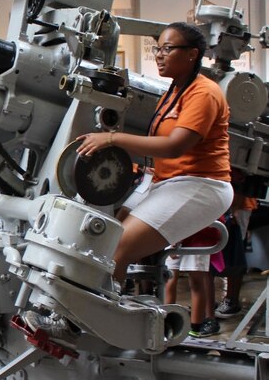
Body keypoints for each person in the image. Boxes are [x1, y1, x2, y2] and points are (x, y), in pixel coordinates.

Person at [25, 22, 234, 345]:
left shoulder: (204, 92)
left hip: (201, 185)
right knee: (101, 239)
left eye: (167, 49)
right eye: (158, 49)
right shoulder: (175, 90)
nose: (159, 57)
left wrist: (112, 139)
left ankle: (87, 328)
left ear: (192, 55)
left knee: (118, 249)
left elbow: (175, 145)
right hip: (168, 181)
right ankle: (78, 316)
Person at [164, 225, 222, 338]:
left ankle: (195, 326)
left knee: (196, 282)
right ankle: (167, 323)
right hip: (176, 233)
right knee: (169, 279)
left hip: (199, 235)